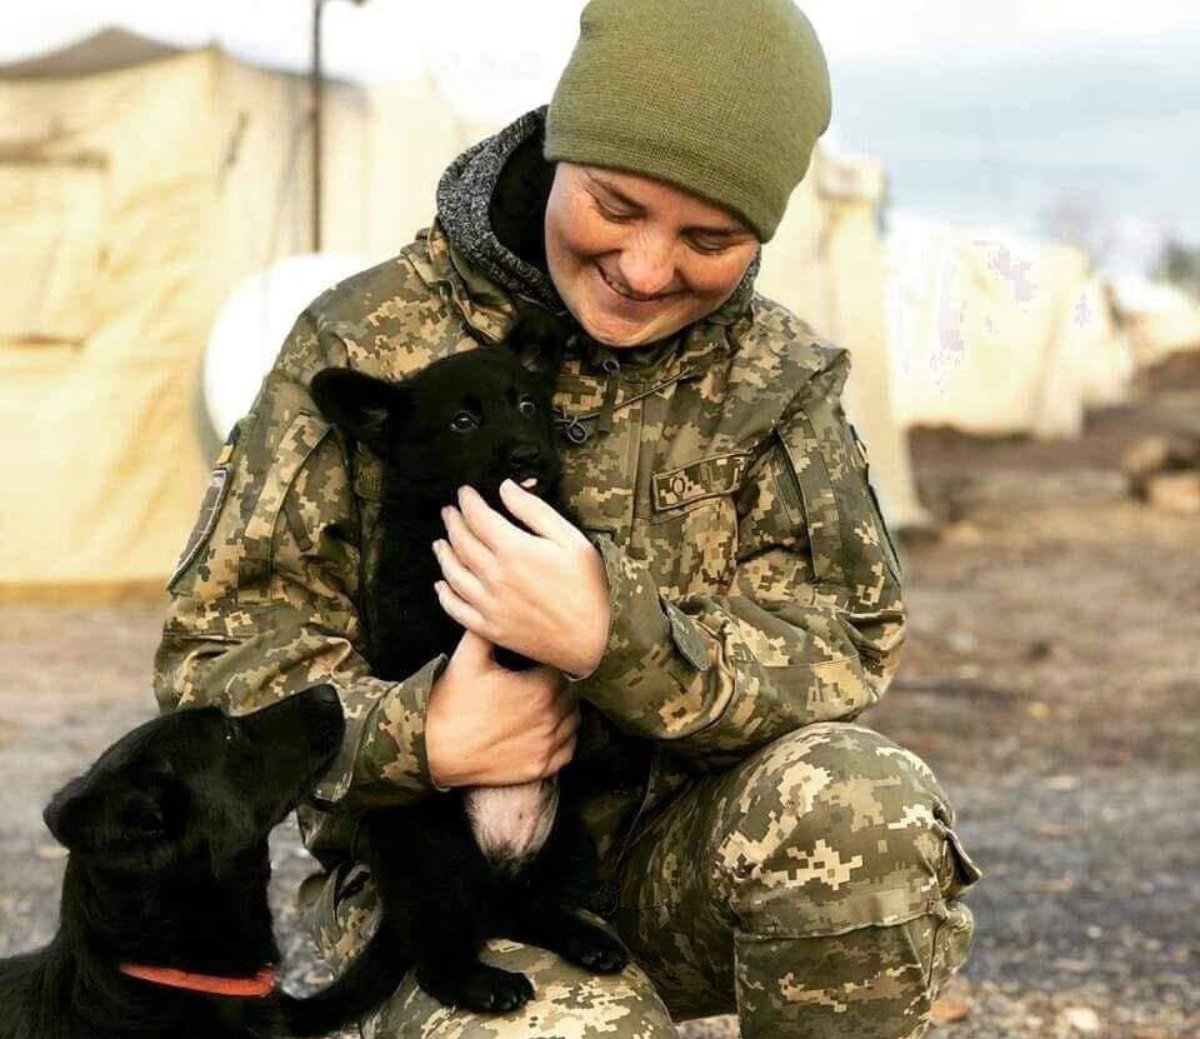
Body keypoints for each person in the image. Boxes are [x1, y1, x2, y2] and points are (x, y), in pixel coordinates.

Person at [154, 1, 982, 1036]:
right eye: (615, 205)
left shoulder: (777, 377)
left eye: (711, 238)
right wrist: (420, 733)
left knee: (867, 809)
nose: (646, 269)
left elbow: (846, 638)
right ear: (559, 148)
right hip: (441, 885)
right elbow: (216, 663)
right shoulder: (366, 338)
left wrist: (617, 640)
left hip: (681, 853)